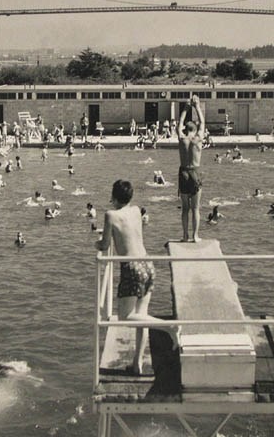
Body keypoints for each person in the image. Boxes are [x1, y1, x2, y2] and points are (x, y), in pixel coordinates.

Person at [95, 180, 179, 375]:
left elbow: (105, 243)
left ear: (114, 197)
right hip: (147, 264)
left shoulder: (111, 215)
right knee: (142, 316)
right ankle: (137, 364)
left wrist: (96, 245)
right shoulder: (135, 211)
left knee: (125, 316)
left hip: (132, 268)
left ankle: (169, 327)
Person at [178, 95, 205, 243]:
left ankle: (184, 236)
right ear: (194, 130)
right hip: (195, 171)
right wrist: (197, 106)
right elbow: (202, 122)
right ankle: (195, 236)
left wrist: (186, 108)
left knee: (184, 208)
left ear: (186, 129)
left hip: (183, 173)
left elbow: (179, 124)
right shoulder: (198, 139)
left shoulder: (182, 139)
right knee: (195, 208)